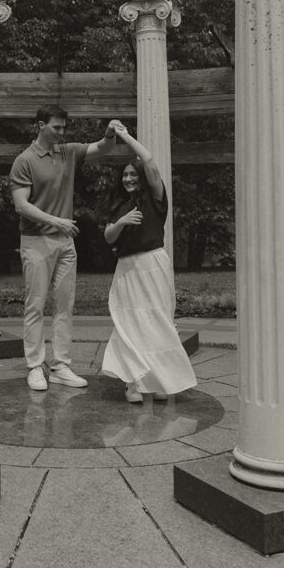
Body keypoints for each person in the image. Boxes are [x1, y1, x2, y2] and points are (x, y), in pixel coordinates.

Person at [9, 105, 119, 391]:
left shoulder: (67, 152)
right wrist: (57, 221)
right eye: (56, 128)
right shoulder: (25, 160)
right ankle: (35, 367)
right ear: (40, 126)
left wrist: (109, 134)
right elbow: (21, 205)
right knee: (35, 306)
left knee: (64, 306)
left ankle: (60, 367)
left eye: (63, 128)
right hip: (36, 242)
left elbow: (102, 149)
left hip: (65, 242)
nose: (62, 132)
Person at [101, 123, 197, 403]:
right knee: (129, 323)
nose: (128, 179)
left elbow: (151, 162)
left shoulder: (155, 200)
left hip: (153, 264)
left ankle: (160, 381)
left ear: (142, 177)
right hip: (127, 269)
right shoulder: (119, 204)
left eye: (133, 174)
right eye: (125, 175)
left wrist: (126, 137)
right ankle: (134, 382)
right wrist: (121, 222)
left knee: (156, 320)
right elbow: (108, 236)